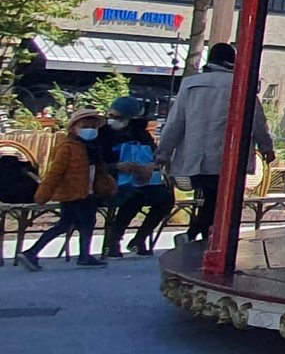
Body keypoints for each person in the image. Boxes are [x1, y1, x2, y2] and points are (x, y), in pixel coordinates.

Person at [160, 44, 276, 246]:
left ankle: (203, 239)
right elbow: (256, 119)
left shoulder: (190, 84)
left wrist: (163, 153)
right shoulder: (241, 84)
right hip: (229, 153)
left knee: (212, 197)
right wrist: (266, 147)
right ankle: (194, 235)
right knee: (222, 200)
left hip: (195, 154)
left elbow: (175, 121)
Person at [20, 112, 110, 269]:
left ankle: (83, 255)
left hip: (87, 192)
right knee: (67, 224)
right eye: (85, 127)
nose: (90, 130)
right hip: (71, 194)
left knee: (85, 222)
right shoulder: (67, 147)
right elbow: (55, 173)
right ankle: (32, 252)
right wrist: (43, 194)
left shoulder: (92, 148)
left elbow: (99, 171)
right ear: (73, 128)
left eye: (93, 127)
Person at [100, 95, 174, 257]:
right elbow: (93, 163)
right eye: (110, 116)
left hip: (140, 179)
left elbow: (154, 155)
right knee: (135, 197)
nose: (112, 120)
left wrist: (151, 166)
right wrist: (116, 166)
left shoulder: (141, 134)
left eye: (118, 117)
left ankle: (139, 239)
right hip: (109, 181)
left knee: (165, 199)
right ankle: (113, 241)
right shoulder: (102, 134)